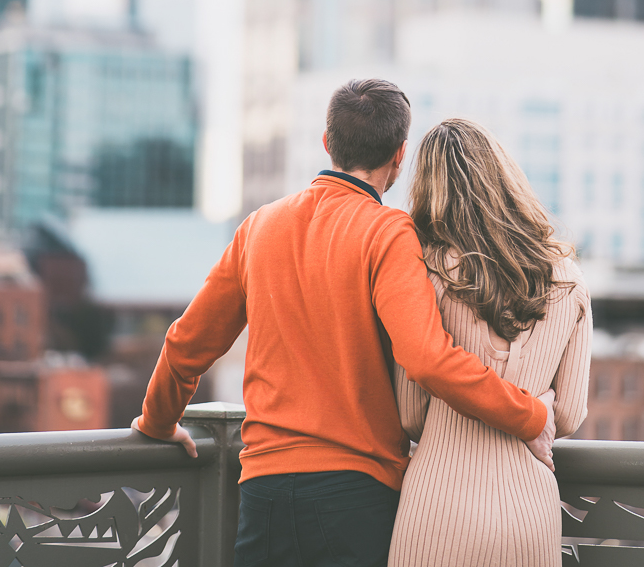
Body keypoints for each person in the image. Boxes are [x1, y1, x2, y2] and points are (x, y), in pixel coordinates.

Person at [131, 80, 555, 567]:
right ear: (399, 156)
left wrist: (159, 422)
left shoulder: (259, 226)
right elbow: (427, 359)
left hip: (264, 491)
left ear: (328, 141)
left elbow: (186, 343)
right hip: (354, 496)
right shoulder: (388, 231)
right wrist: (530, 417)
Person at [389, 119, 592, 567]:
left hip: (436, 507)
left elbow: (410, 415)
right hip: (529, 514)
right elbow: (570, 415)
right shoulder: (569, 279)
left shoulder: (427, 274)